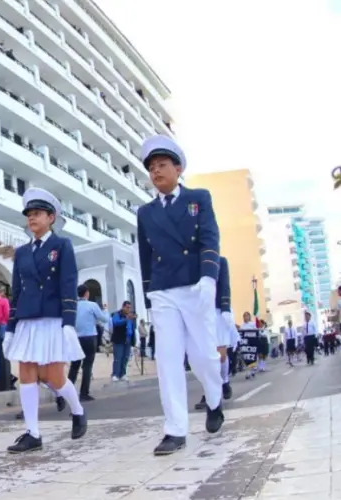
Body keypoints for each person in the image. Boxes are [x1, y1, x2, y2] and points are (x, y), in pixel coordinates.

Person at [137, 135, 224, 456]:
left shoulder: (198, 198)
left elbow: (210, 237)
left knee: (203, 356)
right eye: (151, 168)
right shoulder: (145, 212)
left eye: (161, 165)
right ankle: (175, 429)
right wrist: (148, 297)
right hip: (163, 290)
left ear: (178, 168)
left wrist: (209, 277)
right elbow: (145, 254)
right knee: (168, 359)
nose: (156, 172)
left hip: (194, 285)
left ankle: (214, 399)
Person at [3, 187, 87, 454]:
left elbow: (68, 283)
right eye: (29, 214)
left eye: (37, 213)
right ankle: (33, 432)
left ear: (51, 217)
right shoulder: (22, 252)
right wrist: (11, 327)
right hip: (28, 319)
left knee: (53, 376)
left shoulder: (61, 245)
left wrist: (69, 322)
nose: (32, 219)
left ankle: (77, 410)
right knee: (26, 372)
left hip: (52, 318)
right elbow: (16, 291)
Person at [195, 256, 234, 409]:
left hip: (218, 311)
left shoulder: (221, 261)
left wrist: (225, 308)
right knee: (205, 356)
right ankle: (208, 393)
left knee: (221, 356)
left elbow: (225, 285)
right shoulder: (193, 261)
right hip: (202, 311)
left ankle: (224, 381)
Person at [68, 283, 108, 401]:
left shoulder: (73, 305)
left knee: (74, 366)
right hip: (90, 337)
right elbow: (104, 319)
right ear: (86, 293)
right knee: (87, 365)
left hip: (76, 337)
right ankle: (84, 393)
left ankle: (67, 392)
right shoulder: (92, 305)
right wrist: (104, 310)